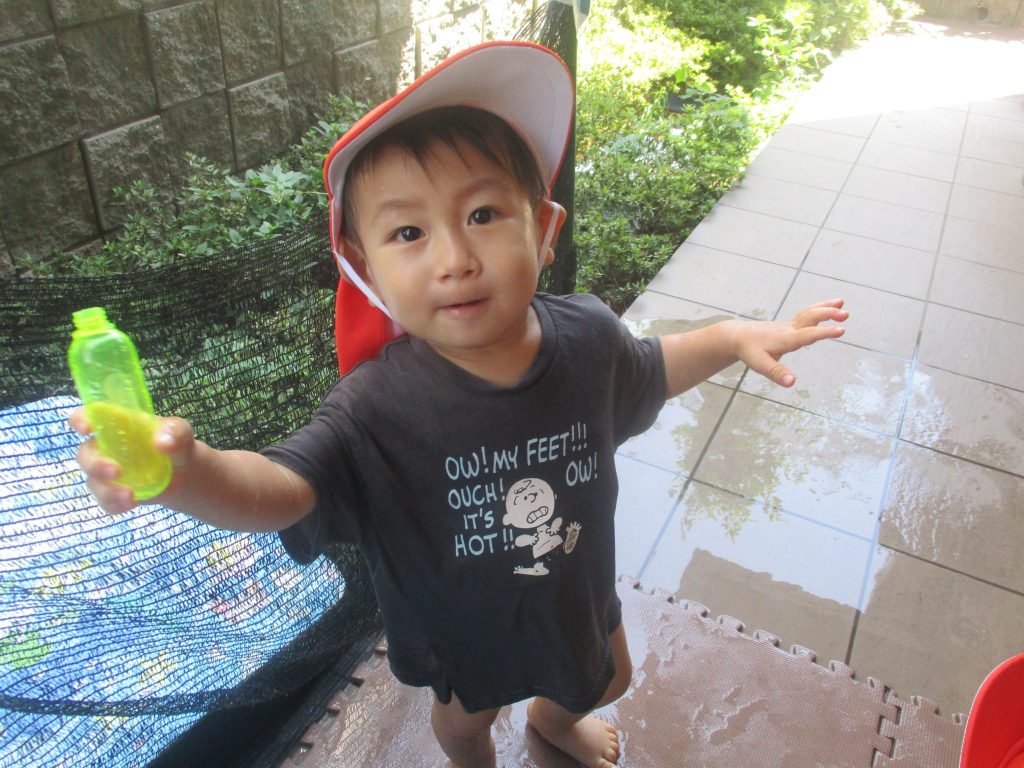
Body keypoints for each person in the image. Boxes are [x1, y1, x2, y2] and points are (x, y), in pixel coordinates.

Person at [70, 41, 847, 768]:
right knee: (467, 720)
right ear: (365, 265)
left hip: (574, 594)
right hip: (460, 628)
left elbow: (647, 370)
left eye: (482, 215)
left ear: (543, 229)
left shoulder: (588, 337)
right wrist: (187, 474)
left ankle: (553, 721)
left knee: (608, 676)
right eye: (409, 231)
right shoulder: (375, 407)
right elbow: (281, 489)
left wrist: (727, 338)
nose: (454, 258)